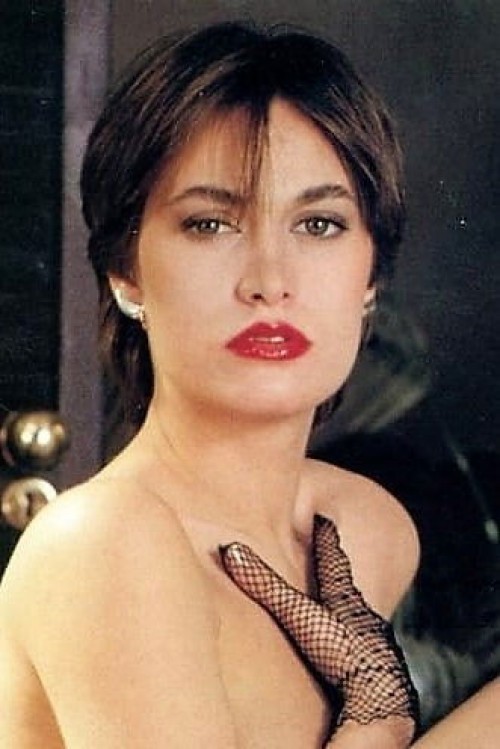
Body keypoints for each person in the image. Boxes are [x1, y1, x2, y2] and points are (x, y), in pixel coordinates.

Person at [0, 20, 494, 748]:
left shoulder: (365, 526)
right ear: (126, 271)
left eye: (319, 224)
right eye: (210, 224)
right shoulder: (103, 544)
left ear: (370, 277)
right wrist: (377, 719)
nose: (269, 280)